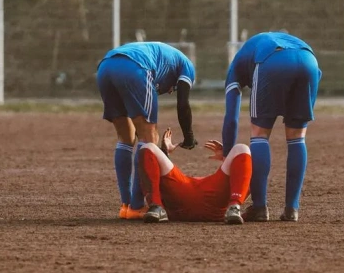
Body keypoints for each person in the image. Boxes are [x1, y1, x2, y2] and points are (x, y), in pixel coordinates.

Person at [221, 32, 321, 222]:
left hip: (271, 60)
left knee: (259, 134)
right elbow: (317, 74)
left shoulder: (235, 66)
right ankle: (292, 209)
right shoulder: (263, 43)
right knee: (297, 136)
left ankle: (259, 208)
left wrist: (227, 153)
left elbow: (231, 117)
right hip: (310, 61)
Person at [96, 42, 198, 220]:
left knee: (125, 137)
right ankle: (137, 206)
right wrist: (189, 137)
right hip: (137, 67)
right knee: (149, 139)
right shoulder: (187, 66)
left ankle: (125, 206)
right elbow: (183, 104)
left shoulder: (163, 56)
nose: (170, 92)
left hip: (106, 66)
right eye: (173, 89)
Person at [138, 128, 252, 224]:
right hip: (213, 199)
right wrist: (227, 159)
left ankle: (156, 207)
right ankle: (234, 207)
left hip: (180, 197)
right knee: (242, 149)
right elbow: (240, 177)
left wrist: (164, 153)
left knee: (147, 147)